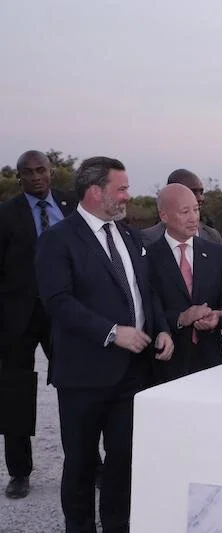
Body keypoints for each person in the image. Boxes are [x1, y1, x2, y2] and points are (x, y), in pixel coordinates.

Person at [35, 156, 174, 533]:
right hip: (83, 375)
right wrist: (113, 331)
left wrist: (160, 328)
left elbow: (147, 290)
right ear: (96, 192)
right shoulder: (57, 240)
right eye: (122, 188)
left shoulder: (129, 234)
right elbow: (58, 301)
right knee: (80, 465)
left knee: (124, 461)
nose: (129, 195)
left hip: (133, 373)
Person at [0, 150, 76, 499]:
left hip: (66, 312)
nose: (35, 177)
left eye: (41, 170)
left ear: (51, 171)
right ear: (19, 177)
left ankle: (89, 465)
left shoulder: (72, 206)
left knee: (78, 390)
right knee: (15, 394)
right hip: (19, 319)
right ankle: (19, 473)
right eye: (27, 172)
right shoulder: (6, 215)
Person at [146, 184, 222, 383]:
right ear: (164, 216)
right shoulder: (148, 257)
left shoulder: (216, 254)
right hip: (165, 364)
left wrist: (217, 318)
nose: (193, 217)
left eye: (196, 209)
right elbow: (147, 308)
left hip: (211, 361)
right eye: (185, 211)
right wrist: (180, 318)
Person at [140, 169, 222, 246]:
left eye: (201, 192)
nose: (200, 198)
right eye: (193, 192)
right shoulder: (147, 238)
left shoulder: (212, 236)